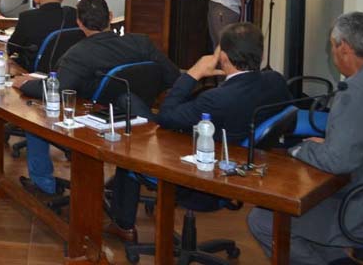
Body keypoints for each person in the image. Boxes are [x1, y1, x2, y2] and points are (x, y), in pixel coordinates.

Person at [248, 12, 363, 264]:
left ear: (344, 48)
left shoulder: (356, 92)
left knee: (264, 220)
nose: (332, 54)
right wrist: (331, 147)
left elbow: (338, 162)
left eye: (332, 47)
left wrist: (300, 149)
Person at [106, 22, 264, 242]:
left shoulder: (215, 99)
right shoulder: (274, 82)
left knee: (130, 119)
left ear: (223, 56)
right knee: (131, 105)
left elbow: (165, 118)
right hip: (236, 166)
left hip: (198, 176)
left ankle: (123, 224)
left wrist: (194, 73)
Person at [12, 0, 179, 196]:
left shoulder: (79, 53)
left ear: (79, 23)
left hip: (93, 126)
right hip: (141, 122)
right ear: (110, 16)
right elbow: (173, 76)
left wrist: (25, 83)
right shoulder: (141, 42)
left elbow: (55, 90)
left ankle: (43, 185)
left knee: (35, 119)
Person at [7, 0, 77, 70]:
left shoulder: (27, 17)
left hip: (32, 70)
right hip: (65, 69)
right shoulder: (73, 16)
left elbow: (12, 47)